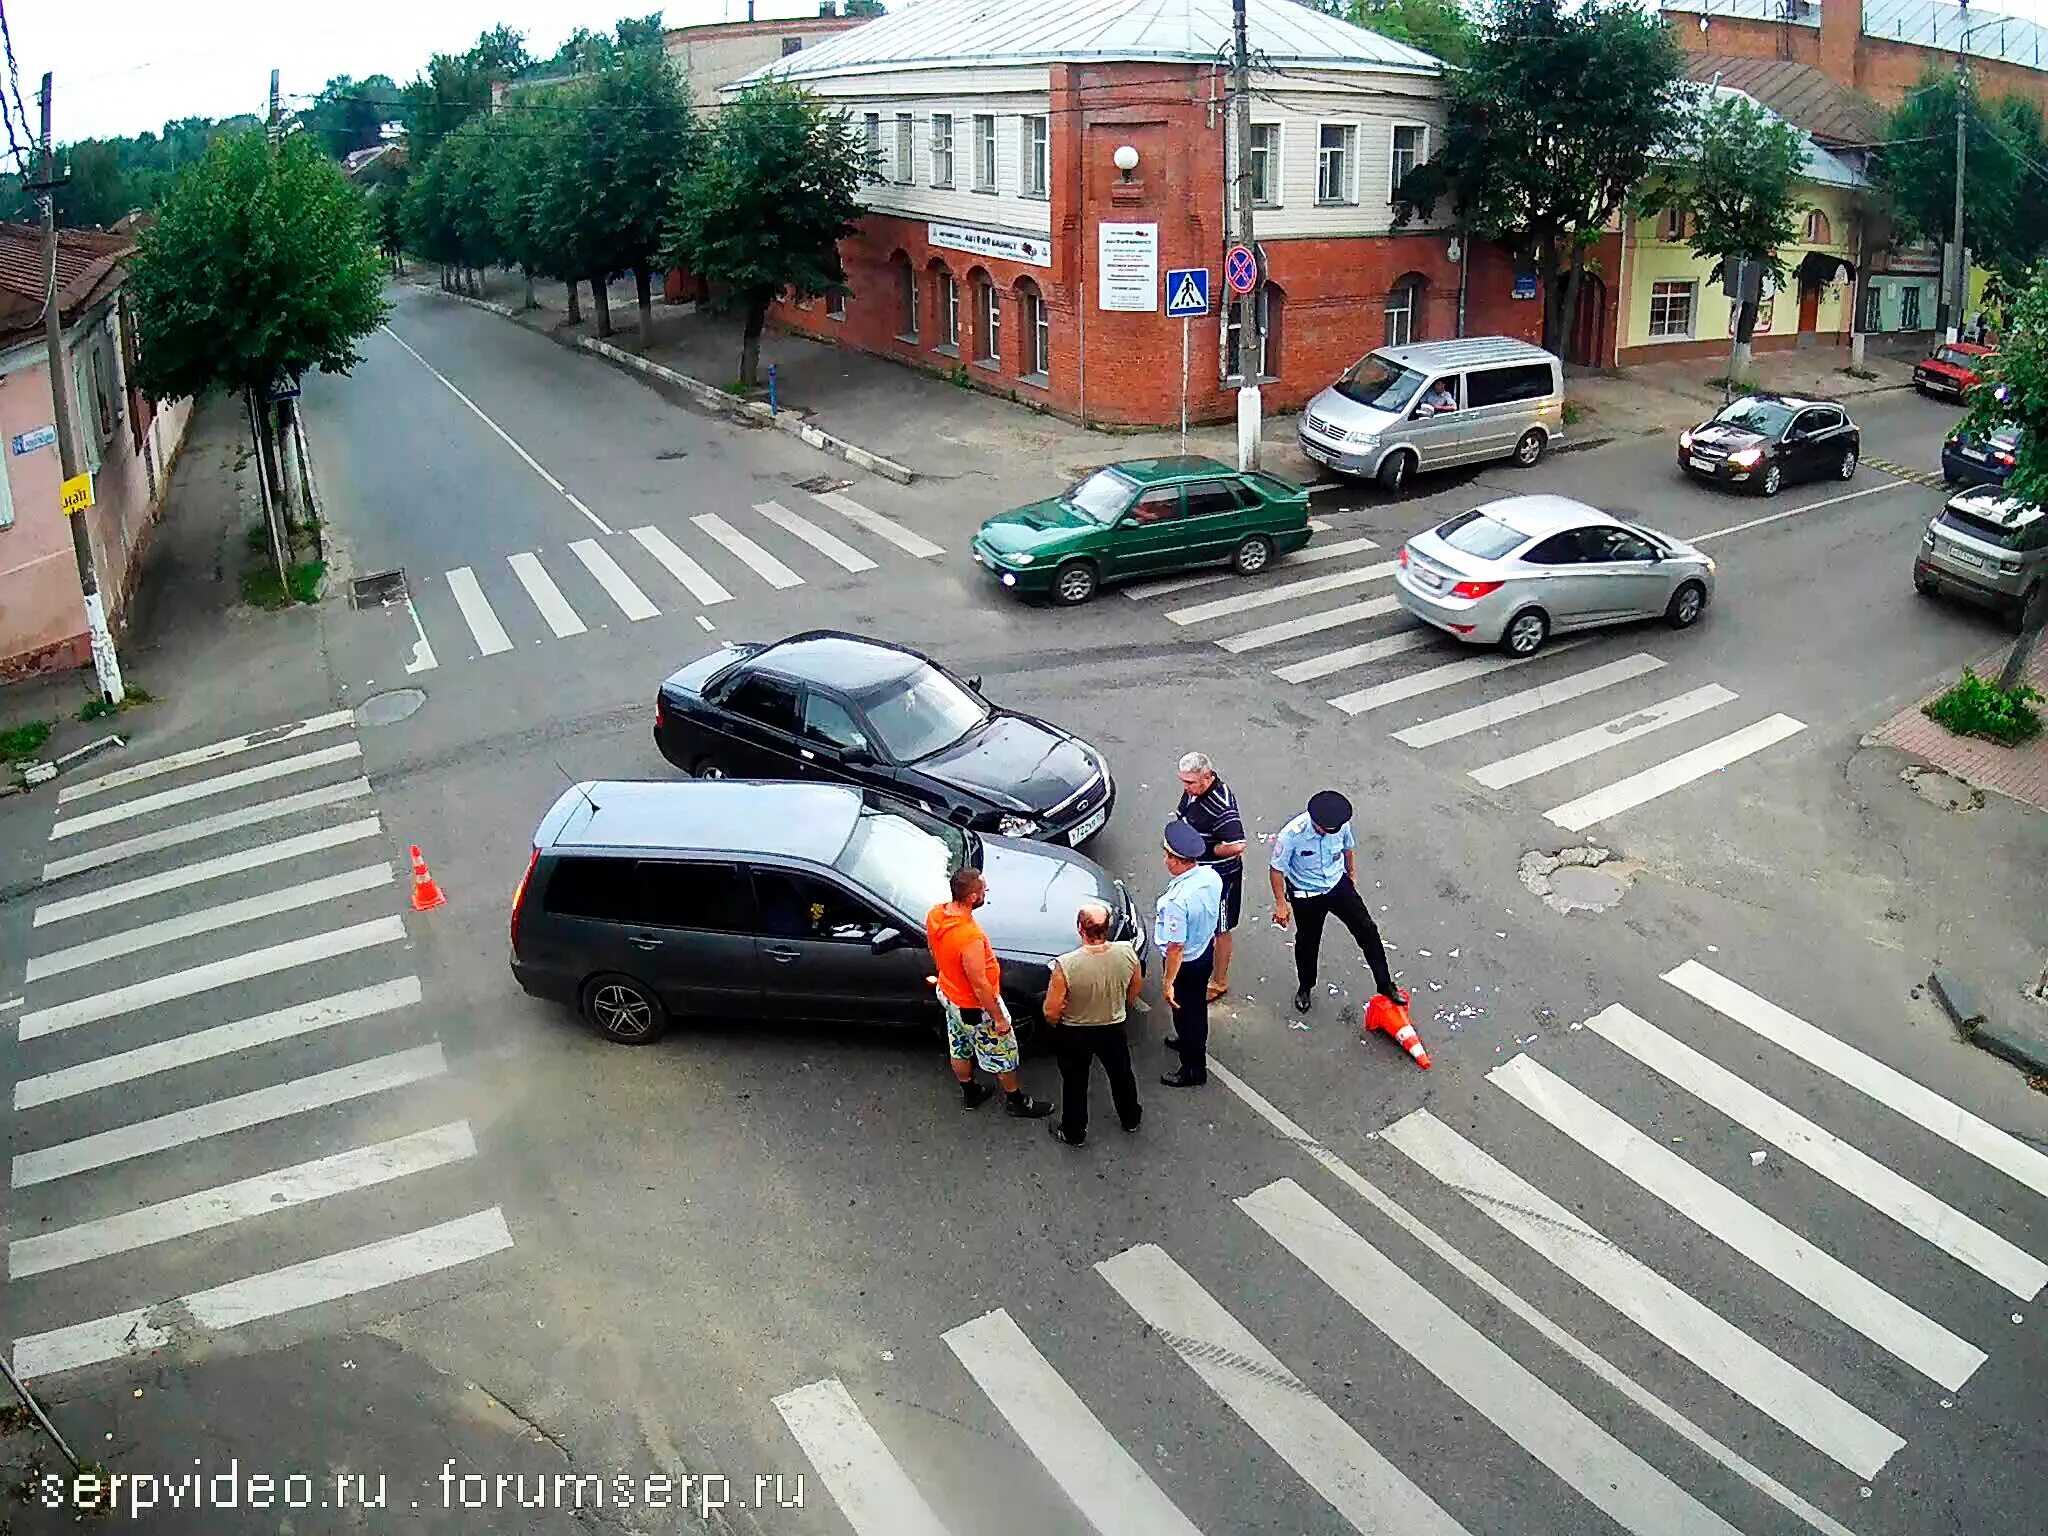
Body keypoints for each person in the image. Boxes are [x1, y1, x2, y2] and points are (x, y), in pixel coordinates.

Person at [925, 866, 1053, 1118]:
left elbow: (932, 948)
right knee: (1003, 1052)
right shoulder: (968, 936)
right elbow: (980, 984)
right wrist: (999, 1018)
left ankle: (970, 1091)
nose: (986, 891)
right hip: (974, 1007)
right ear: (972, 897)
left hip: (950, 995)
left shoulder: (936, 914)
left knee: (959, 1045)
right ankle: (1016, 1101)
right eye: (983, 888)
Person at [1269, 789, 1401, 1017]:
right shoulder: (1291, 835)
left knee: (1367, 930)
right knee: (1308, 943)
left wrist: (1351, 874)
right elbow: (1276, 869)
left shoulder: (1341, 826)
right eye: (1323, 829)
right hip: (1307, 894)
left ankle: (1385, 984)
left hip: (1337, 885)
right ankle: (1306, 986)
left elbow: (1347, 849)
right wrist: (1281, 904)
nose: (1328, 832)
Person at [1041, 900, 1145, 1147]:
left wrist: (1055, 1024)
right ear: (1107, 928)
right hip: (1113, 1026)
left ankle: (1074, 1131)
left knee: (1075, 1082)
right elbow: (1135, 986)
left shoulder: (1066, 965)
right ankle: (1131, 1117)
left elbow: (1052, 1010)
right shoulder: (1126, 952)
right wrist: (1120, 1005)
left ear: (1080, 928)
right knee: (1121, 1074)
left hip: (1075, 1032)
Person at [1156, 819, 1225, 1088]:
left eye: (1168, 856)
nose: (1165, 861)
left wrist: (1168, 982)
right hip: (1204, 951)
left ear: (1179, 860)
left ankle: (1193, 1068)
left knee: (1186, 1013)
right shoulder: (1210, 877)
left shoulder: (1178, 901)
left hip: (1185, 963)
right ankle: (1187, 1044)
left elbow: (1175, 947)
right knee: (1194, 1007)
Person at [1175, 751, 1246, 1002]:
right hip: (1197, 871)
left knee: (1221, 928)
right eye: (1182, 781)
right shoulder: (1194, 791)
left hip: (1221, 877)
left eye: (1190, 783)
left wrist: (1208, 850)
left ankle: (1219, 982)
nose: (1185, 787)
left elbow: (1237, 844)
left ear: (1207, 776)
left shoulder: (1220, 805)